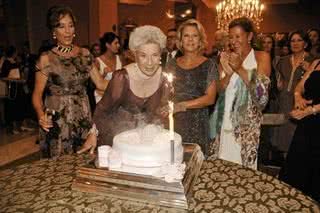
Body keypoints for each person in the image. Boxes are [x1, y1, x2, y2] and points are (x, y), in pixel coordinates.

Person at [78, 25, 168, 154]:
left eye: (154, 55)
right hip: (114, 139)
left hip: (143, 142)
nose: (149, 63)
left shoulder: (163, 79)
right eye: (143, 56)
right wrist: (93, 133)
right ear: (134, 55)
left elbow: (157, 112)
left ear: (160, 56)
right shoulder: (122, 78)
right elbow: (102, 110)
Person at [32, 5, 107, 158]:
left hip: (83, 117)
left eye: (71, 25)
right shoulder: (46, 58)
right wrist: (41, 115)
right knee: (59, 169)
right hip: (58, 121)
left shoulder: (85, 54)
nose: (67, 31)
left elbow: (101, 84)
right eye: (61, 26)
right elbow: (37, 95)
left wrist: (128, 80)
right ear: (54, 31)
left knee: (84, 162)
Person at [211, 17, 271, 169]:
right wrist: (229, 72)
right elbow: (219, 90)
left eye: (238, 36)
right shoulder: (225, 57)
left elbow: (262, 96)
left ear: (249, 36)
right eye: (231, 37)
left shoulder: (261, 57)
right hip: (223, 120)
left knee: (243, 172)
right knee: (222, 167)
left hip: (246, 126)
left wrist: (240, 68)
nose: (233, 41)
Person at [164, 19, 218, 157]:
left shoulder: (209, 64)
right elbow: (165, 92)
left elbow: (210, 98)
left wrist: (181, 106)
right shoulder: (171, 64)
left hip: (197, 123)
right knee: (173, 161)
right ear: (180, 40)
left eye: (195, 36)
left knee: (196, 166)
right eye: (186, 36)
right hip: (174, 121)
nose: (190, 40)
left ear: (200, 40)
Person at [279, 58, 320, 202]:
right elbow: (300, 86)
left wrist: (311, 110)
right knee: (298, 165)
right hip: (308, 122)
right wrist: (298, 97)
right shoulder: (316, 62)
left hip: (312, 114)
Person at [271, 30, 314, 154]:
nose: (295, 43)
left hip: (300, 105)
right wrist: (277, 85)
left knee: (298, 143)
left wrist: (309, 70)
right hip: (283, 103)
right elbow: (276, 81)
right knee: (283, 142)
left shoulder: (313, 61)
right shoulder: (282, 60)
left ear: (305, 44)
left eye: (299, 40)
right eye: (292, 41)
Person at [94, 32, 122, 103]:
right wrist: (104, 75)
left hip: (117, 97)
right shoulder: (97, 61)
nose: (118, 45)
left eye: (118, 43)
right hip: (102, 97)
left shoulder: (120, 58)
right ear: (107, 45)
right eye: (115, 43)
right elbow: (93, 84)